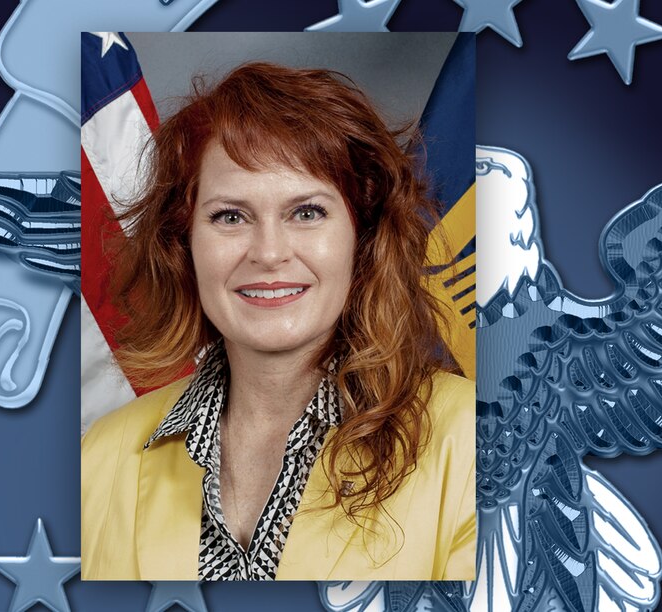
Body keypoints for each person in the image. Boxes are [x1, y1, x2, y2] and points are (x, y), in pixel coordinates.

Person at [81, 61, 476, 581]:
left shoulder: (475, 439)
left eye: (306, 212)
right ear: (183, 245)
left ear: (363, 238)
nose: (268, 253)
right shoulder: (100, 455)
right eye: (230, 216)